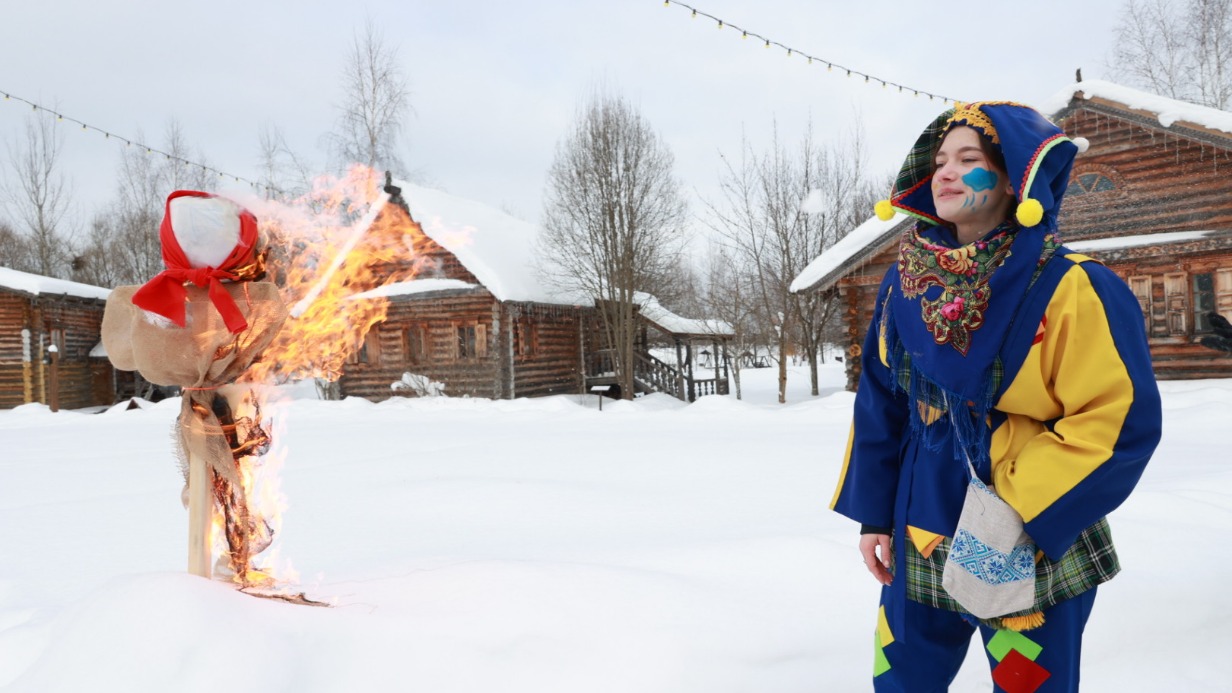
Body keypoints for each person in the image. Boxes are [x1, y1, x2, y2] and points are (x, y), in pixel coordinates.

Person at [831, 102, 1162, 691]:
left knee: (1028, 684)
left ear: (1014, 178)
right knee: (901, 680)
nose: (945, 173)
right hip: (918, 525)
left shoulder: (1074, 287)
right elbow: (881, 404)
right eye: (938, 162)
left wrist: (1016, 510)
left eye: (968, 160)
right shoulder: (903, 283)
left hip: (1026, 530)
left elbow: (1117, 421)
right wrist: (874, 514)